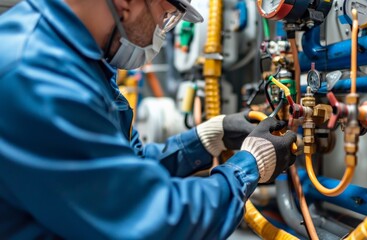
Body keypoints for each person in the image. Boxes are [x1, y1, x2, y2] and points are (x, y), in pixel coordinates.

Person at [0, 0, 297, 239]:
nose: (162, 31)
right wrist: (249, 165)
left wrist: (207, 138)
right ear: (126, 3)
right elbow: (154, 221)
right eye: (167, 16)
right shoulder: (34, 75)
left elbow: (120, 171)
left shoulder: (82, 60)